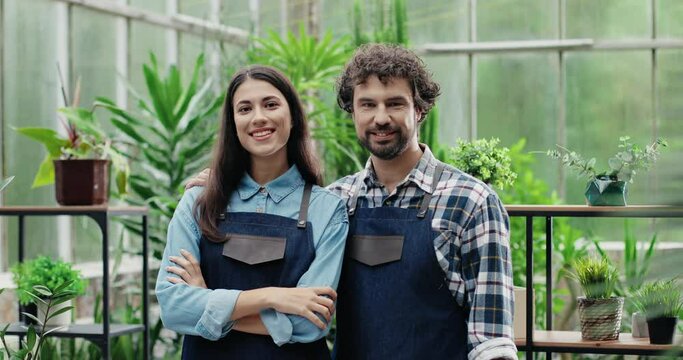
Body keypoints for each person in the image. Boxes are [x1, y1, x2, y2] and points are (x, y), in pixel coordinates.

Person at [184, 44, 517, 360]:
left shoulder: (471, 202)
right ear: (352, 112)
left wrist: (212, 309)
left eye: (395, 103)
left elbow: (491, 342)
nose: (381, 117)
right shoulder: (337, 202)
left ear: (420, 109)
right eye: (368, 104)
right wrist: (222, 184)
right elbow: (298, 298)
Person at [156, 65, 349, 359]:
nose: (259, 117)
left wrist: (209, 303)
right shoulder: (198, 201)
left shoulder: (327, 209)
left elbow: (310, 322)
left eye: (271, 104)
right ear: (233, 122)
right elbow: (173, 307)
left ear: (293, 116)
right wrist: (273, 296)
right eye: (244, 109)